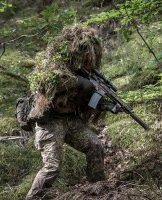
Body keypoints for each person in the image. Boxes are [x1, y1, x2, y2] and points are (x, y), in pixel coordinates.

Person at [25, 25, 120, 200]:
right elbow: (46, 84)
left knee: (95, 146)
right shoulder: (54, 66)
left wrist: (107, 106)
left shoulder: (88, 73)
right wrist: (78, 82)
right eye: (84, 52)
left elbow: (90, 100)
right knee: (52, 166)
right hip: (49, 122)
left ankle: (98, 190)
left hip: (71, 119)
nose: (88, 57)